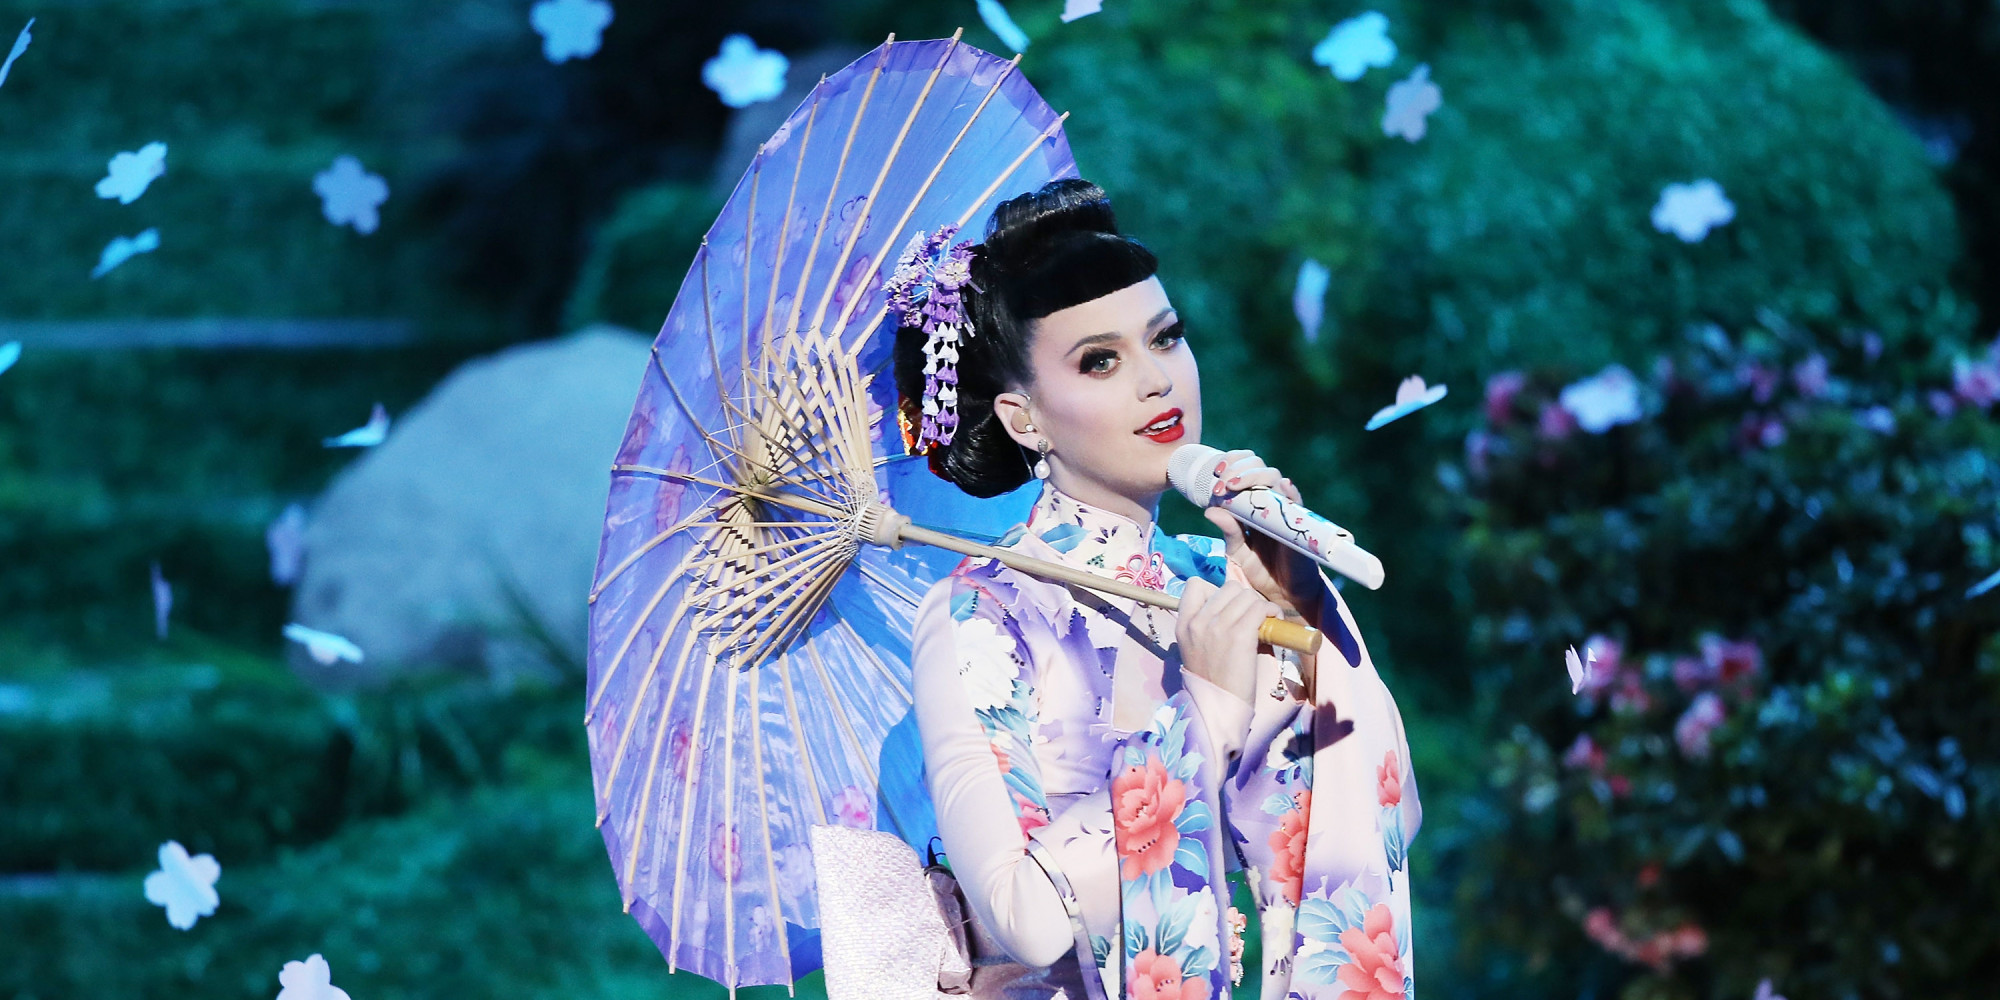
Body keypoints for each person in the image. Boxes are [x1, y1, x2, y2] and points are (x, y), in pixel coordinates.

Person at [890, 178, 1421, 1000]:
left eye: (1166, 338)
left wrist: (1304, 599)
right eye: (1100, 360)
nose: (1155, 380)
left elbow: (1382, 816)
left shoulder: (1213, 580)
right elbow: (1021, 919)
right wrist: (1201, 721)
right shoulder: (983, 613)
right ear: (1024, 418)